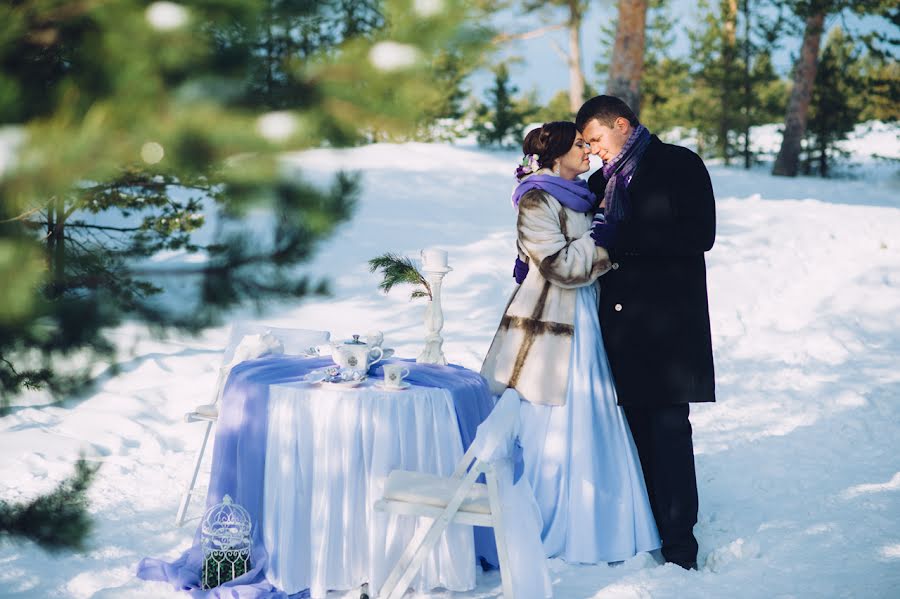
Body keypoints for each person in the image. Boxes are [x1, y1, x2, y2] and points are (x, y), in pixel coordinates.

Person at [481, 121, 661, 564]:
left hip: (586, 318)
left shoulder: (584, 196)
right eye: (579, 145)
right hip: (551, 326)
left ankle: (599, 526)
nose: (588, 152)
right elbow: (559, 265)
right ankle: (543, 524)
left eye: (587, 142)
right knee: (554, 425)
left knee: (593, 419)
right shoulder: (537, 199)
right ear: (557, 155)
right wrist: (601, 243)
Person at [576, 95, 717, 570]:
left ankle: (681, 545)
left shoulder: (679, 163)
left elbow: (700, 235)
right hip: (621, 325)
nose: (593, 150)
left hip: (671, 326)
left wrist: (626, 240)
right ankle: (651, 527)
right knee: (635, 431)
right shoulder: (600, 182)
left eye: (596, 139)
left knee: (670, 430)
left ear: (621, 124)